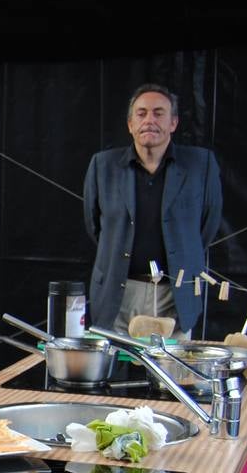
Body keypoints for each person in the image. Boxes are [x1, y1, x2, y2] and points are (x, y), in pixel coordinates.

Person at [84, 83, 223, 338]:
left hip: (176, 294)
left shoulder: (200, 165)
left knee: (173, 376)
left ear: (173, 123)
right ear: (130, 124)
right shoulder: (102, 166)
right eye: (141, 113)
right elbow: (96, 226)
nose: (150, 120)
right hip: (118, 291)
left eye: (159, 113)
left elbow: (208, 224)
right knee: (111, 375)